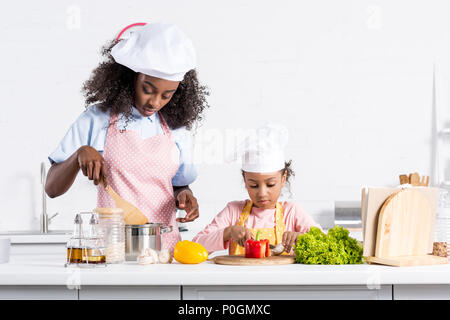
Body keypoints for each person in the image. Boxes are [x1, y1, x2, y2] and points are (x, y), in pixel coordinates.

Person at [45, 22, 209, 251]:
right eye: (148, 89)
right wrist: (79, 154)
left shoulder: (175, 129)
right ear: (130, 77)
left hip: (165, 251)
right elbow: (52, 189)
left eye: (166, 95)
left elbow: (179, 186)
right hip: (112, 249)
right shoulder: (97, 119)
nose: (155, 102)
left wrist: (185, 197)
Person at [192, 123, 321, 255]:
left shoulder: (292, 213)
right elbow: (195, 245)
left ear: (283, 179)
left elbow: (324, 243)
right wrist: (228, 232)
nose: (262, 193)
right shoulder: (233, 212)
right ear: (245, 180)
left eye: (270, 184)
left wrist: (301, 238)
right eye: (253, 185)